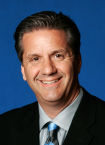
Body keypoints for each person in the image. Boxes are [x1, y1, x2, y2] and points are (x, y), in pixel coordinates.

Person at [0, 11, 105, 145]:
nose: (48, 70)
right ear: (23, 71)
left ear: (78, 62)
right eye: (35, 59)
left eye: (58, 56)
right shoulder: (4, 129)